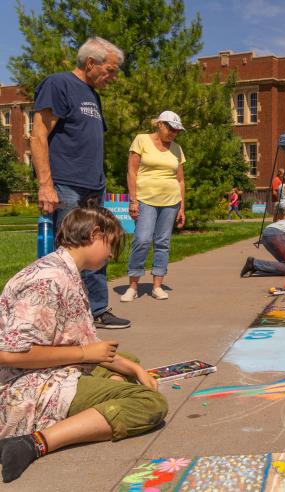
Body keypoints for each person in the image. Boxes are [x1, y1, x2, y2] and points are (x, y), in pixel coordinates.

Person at [0, 204, 167, 483]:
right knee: (150, 404)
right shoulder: (47, 279)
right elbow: (8, 354)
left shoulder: (65, 270)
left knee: (130, 363)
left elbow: (87, 345)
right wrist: (84, 353)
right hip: (28, 387)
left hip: (53, 371)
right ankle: (32, 443)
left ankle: (102, 401)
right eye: (111, 244)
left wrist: (133, 371)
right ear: (95, 234)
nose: (112, 254)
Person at [30, 37, 130, 330]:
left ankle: (97, 309)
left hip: (92, 186)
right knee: (68, 252)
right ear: (90, 63)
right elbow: (38, 136)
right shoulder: (58, 84)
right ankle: (56, 316)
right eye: (110, 70)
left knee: (98, 247)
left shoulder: (92, 95)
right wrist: (46, 184)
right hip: (66, 185)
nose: (113, 77)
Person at [121, 111, 186, 302]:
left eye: (177, 131)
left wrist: (182, 207)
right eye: (171, 129)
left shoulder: (177, 149)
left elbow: (180, 180)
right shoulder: (141, 140)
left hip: (171, 201)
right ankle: (133, 286)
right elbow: (132, 172)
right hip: (145, 199)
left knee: (163, 242)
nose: (173, 133)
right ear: (160, 124)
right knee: (142, 239)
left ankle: (157, 285)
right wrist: (133, 200)